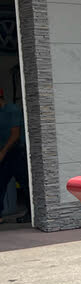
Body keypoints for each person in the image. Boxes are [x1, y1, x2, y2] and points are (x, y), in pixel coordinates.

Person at [0, 88, 30, 224]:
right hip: (4, 153)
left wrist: (3, 152)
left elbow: (15, 134)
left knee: (25, 183)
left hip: (16, 151)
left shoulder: (11, 109)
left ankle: (31, 212)